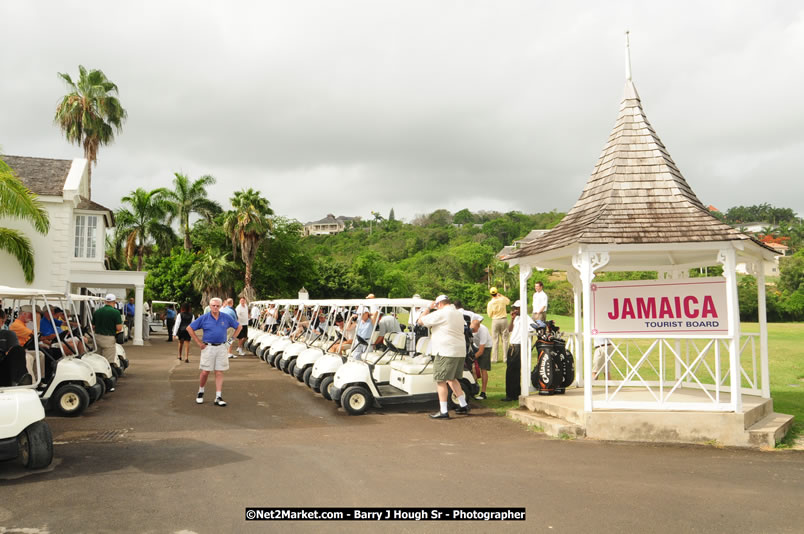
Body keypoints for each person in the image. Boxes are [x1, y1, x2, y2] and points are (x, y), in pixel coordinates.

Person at [418, 295, 469, 419]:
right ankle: (463, 404)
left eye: (436, 305)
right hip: (459, 351)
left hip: (445, 351)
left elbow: (420, 321)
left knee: (440, 380)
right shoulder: (457, 313)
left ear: (439, 304)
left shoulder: (442, 313)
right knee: (452, 378)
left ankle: (443, 411)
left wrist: (427, 309)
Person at [186, 297, 241, 407]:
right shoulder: (204, 318)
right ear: (210, 306)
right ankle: (201, 392)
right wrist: (199, 343)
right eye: (213, 305)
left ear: (221, 306)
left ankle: (218, 396)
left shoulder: (226, 317)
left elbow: (239, 327)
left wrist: (230, 341)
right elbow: (189, 328)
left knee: (219, 371)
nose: (215, 307)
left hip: (222, 347)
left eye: (217, 306)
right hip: (208, 347)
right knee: (205, 371)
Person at [503, 300, 534, 401]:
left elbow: (532, 328)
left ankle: (512, 394)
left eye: (517, 308)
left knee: (513, 371)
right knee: (511, 371)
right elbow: (510, 329)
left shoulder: (526, 318)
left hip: (518, 346)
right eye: (514, 308)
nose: (515, 310)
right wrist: (512, 319)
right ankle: (512, 393)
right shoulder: (516, 318)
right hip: (512, 345)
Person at [0, 309, 32, 387]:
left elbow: (12, 350)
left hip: (3, 366)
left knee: (19, 350)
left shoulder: (8, 334)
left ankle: (19, 380)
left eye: (2, 321)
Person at [92, 294, 123, 368]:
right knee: (108, 361)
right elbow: (119, 328)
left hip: (97, 337)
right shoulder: (116, 312)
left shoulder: (97, 312)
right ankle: (106, 376)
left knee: (97, 358)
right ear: (114, 302)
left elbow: (93, 326)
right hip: (109, 338)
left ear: (105, 301)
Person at [486, 287, 510, 364]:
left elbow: (489, 314)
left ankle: (494, 359)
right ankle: (505, 358)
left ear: (491, 294)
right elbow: (508, 301)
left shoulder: (490, 303)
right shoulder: (502, 300)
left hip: (495, 320)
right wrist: (501, 295)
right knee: (505, 339)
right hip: (503, 319)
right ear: (497, 293)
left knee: (495, 340)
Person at [470, 317, 492, 400]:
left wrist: (472, 358)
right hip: (476, 346)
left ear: (478, 327)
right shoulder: (470, 328)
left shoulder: (483, 331)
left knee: (483, 369)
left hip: (486, 347)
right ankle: (473, 388)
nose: (473, 332)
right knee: (473, 368)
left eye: (475, 330)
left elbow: (481, 351)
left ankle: (483, 393)